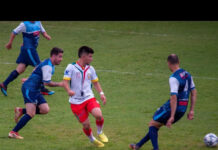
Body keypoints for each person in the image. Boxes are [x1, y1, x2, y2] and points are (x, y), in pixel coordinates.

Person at [129, 54, 197, 150]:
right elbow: (194, 92)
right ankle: (138, 146)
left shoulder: (174, 78)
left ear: (168, 63)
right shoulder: (187, 74)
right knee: (156, 125)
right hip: (183, 108)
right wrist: (191, 110)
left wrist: (172, 116)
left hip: (173, 107)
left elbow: (174, 98)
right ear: (179, 62)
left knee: (152, 124)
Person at [8, 47, 64, 139]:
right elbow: (47, 83)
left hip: (36, 89)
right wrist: (60, 84)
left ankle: (21, 111)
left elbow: (35, 70)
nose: (61, 59)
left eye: (61, 57)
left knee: (45, 109)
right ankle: (13, 132)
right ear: (53, 56)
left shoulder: (47, 62)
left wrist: (29, 78)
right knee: (31, 113)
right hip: (30, 89)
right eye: (59, 57)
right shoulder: (48, 66)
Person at [63, 46, 108, 147]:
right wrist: (68, 90)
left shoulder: (91, 69)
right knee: (86, 125)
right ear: (83, 56)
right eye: (90, 56)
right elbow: (65, 82)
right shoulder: (71, 67)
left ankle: (100, 132)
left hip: (88, 98)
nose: (91, 59)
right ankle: (92, 139)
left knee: (98, 115)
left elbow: (96, 83)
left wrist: (101, 94)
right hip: (76, 102)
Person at [0, 21, 54, 96]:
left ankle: (4, 84)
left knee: (20, 69)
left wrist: (46, 35)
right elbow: (14, 32)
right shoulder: (24, 24)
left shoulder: (38, 22)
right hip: (29, 49)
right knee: (40, 67)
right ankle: (41, 89)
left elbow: (42, 31)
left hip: (28, 50)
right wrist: (10, 43)